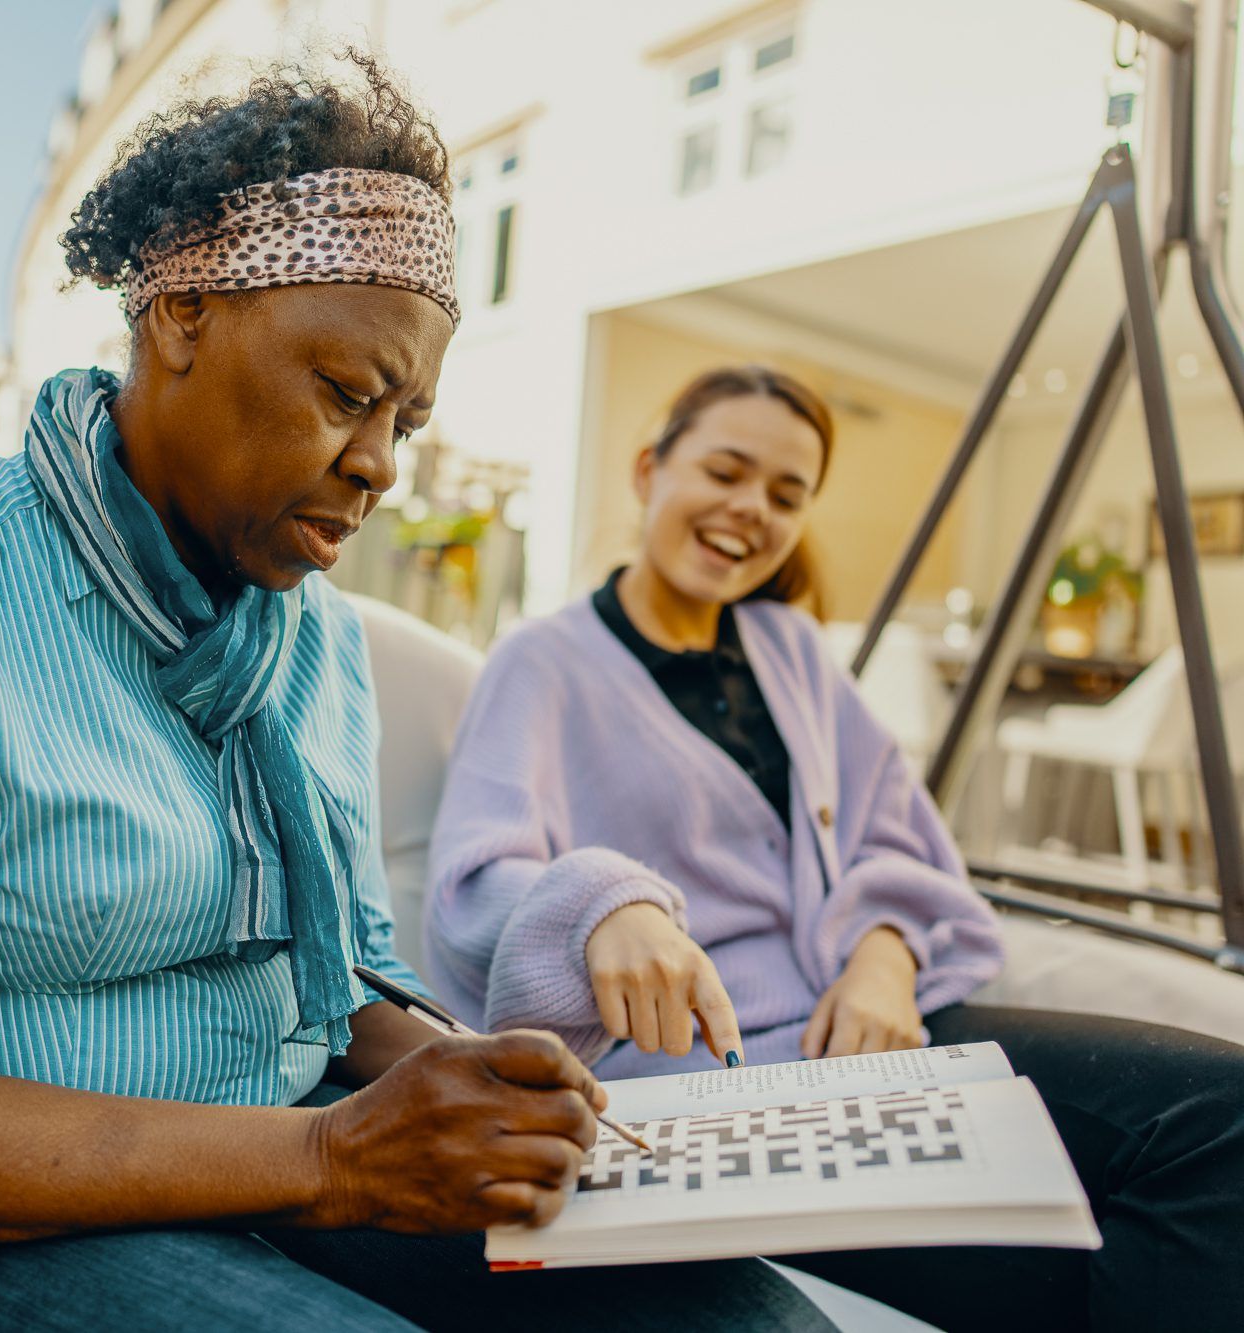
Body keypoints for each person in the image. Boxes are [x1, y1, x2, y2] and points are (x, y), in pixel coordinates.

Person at [0, 61, 830, 1332]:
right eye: (347, 395)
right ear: (181, 313)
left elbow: (335, 986)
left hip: (274, 1151)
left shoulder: (311, 634)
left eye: (404, 419)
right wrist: (331, 1161)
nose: (377, 466)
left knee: (744, 1319)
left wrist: (511, 1100)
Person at [424, 364, 1244, 1331]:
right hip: (719, 1091)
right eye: (725, 471)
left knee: (1220, 1112)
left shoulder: (794, 648)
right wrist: (610, 903)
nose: (750, 510)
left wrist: (885, 957)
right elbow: (475, 882)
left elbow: (898, 833)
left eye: (785, 494)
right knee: (1074, 1266)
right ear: (650, 469)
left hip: (886, 1034)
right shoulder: (544, 660)